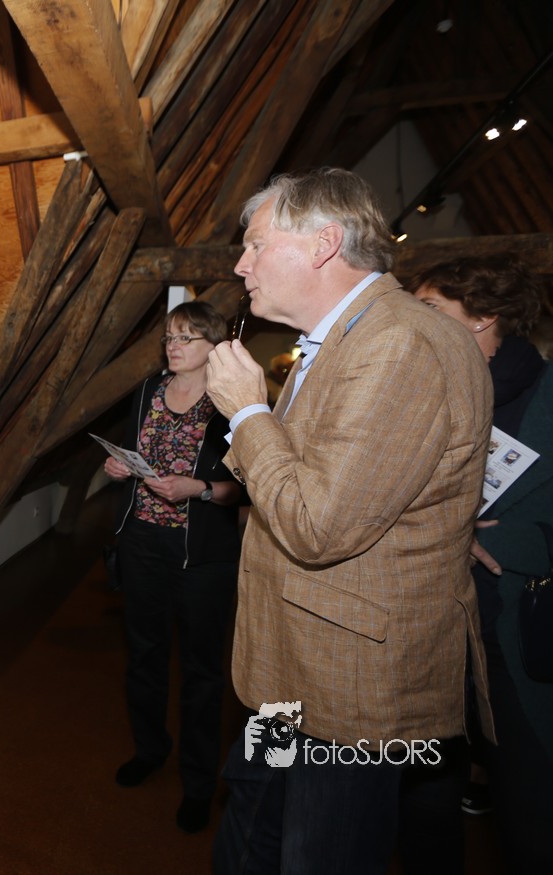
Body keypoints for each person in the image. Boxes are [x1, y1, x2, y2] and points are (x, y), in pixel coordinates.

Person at [203, 167, 493, 874]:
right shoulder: (340, 338)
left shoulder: (401, 345)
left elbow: (317, 526)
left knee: (320, 853)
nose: (240, 265)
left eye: (255, 245)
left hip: (348, 691)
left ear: (323, 244)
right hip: (286, 671)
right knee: (253, 824)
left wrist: (247, 410)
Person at [408, 256, 553, 874]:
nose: (412, 322)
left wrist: (514, 542)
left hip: (512, 633)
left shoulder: (545, 396)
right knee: (422, 807)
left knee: (529, 815)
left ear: (483, 316)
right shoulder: (422, 391)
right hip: (430, 632)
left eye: (430, 309)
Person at [103, 300, 242, 834]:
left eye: (186, 337)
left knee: (202, 673)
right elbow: (130, 451)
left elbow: (248, 487)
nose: (174, 346)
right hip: (141, 540)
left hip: (201, 556)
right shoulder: (148, 391)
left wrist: (199, 489)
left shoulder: (232, 403)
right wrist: (116, 466)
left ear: (214, 345)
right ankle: (149, 749)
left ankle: (199, 783)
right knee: (144, 657)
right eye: (169, 336)